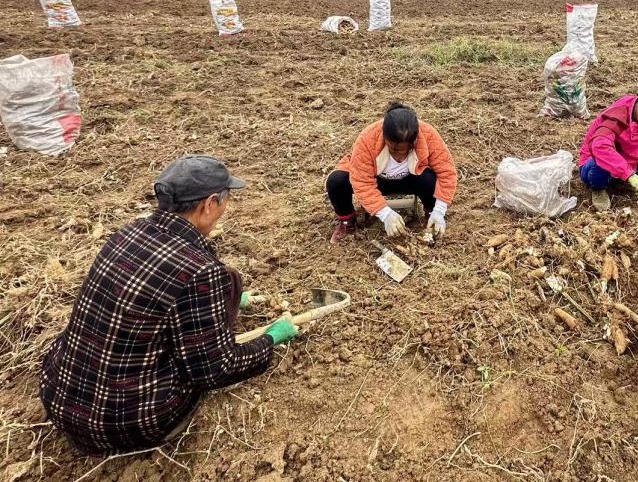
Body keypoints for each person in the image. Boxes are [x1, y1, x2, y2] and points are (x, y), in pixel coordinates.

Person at [40, 156, 298, 455]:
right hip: (124, 421)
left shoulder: (128, 233)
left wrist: (225, 301)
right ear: (209, 204)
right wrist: (271, 339)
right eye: (226, 199)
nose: (226, 208)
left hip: (58, 394)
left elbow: (152, 300)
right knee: (206, 341)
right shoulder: (201, 270)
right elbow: (215, 369)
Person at [326, 103, 457, 242]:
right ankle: (347, 221)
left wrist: (439, 210)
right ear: (384, 136)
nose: (398, 156)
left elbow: (447, 173)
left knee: (430, 179)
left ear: (414, 141)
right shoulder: (367, 138)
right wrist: (385, 214)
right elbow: (362, 181)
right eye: (393, 149)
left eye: (404, 150)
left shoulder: (428, 134)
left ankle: (431, 215)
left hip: (411, 179)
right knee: (336, 181)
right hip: (378, 181)